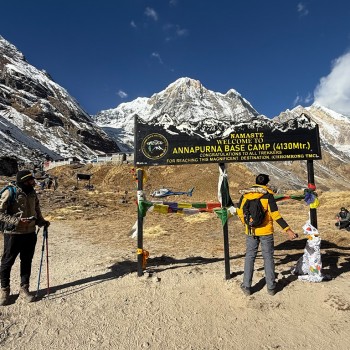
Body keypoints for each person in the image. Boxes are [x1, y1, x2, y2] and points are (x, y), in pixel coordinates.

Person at [236, 174, 298, 296]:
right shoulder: (268, 196)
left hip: (251, 231)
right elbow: (275, 215)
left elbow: (239, 211)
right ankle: (271, 287)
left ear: (255, 182)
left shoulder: (245, 195)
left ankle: (247, 286)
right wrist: (288, 230)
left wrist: (247, 223)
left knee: (250, 256)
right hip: (266, 231)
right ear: (266, 183)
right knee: (268, 257)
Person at [0, 170, 50, 306]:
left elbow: (36, 208)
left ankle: (24, 288)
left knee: (26, 261)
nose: (33, 182)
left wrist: (41, 221)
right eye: (30, 180)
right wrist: (17, 221)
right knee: (7, 262)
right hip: (13, 234)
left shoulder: (32, 192)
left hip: (30, 233)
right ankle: (5, 290)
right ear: (23, 181)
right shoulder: (9, 192)